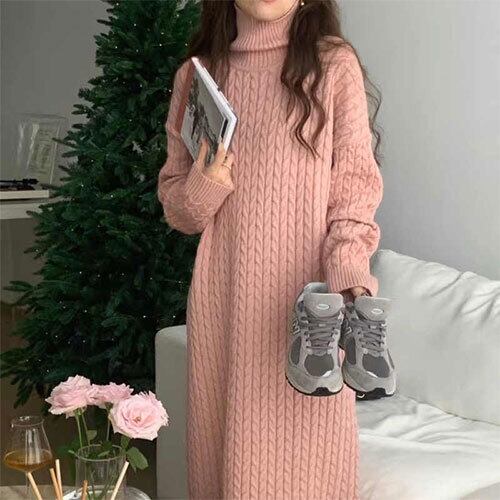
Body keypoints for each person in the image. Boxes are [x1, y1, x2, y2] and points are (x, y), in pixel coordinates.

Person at [157, 0, 388, 498]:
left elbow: (353, 192)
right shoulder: (198, 76)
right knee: (222, 464)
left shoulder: (332, 66)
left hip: (311, 316)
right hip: (224, 306)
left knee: (304, 469)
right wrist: (206, 181)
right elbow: (179, 211)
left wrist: (350, 280)